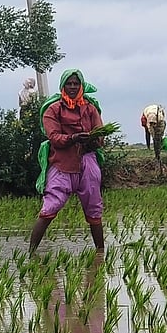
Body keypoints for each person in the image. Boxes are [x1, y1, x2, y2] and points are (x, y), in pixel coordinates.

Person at [29, 69, 105, 254]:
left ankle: (100, 254)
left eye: (76, 84)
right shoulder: (53, 109)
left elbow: (100, 136)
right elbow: (54, 137)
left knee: (94, 210)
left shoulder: (90, 108)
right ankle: (30, 253)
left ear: (81, 86)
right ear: (63, 86)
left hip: (87, 164)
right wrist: (73, 138)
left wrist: (91, 139)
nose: (72, 87)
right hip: (62, 164)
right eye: (69, 83)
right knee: (49, 208)